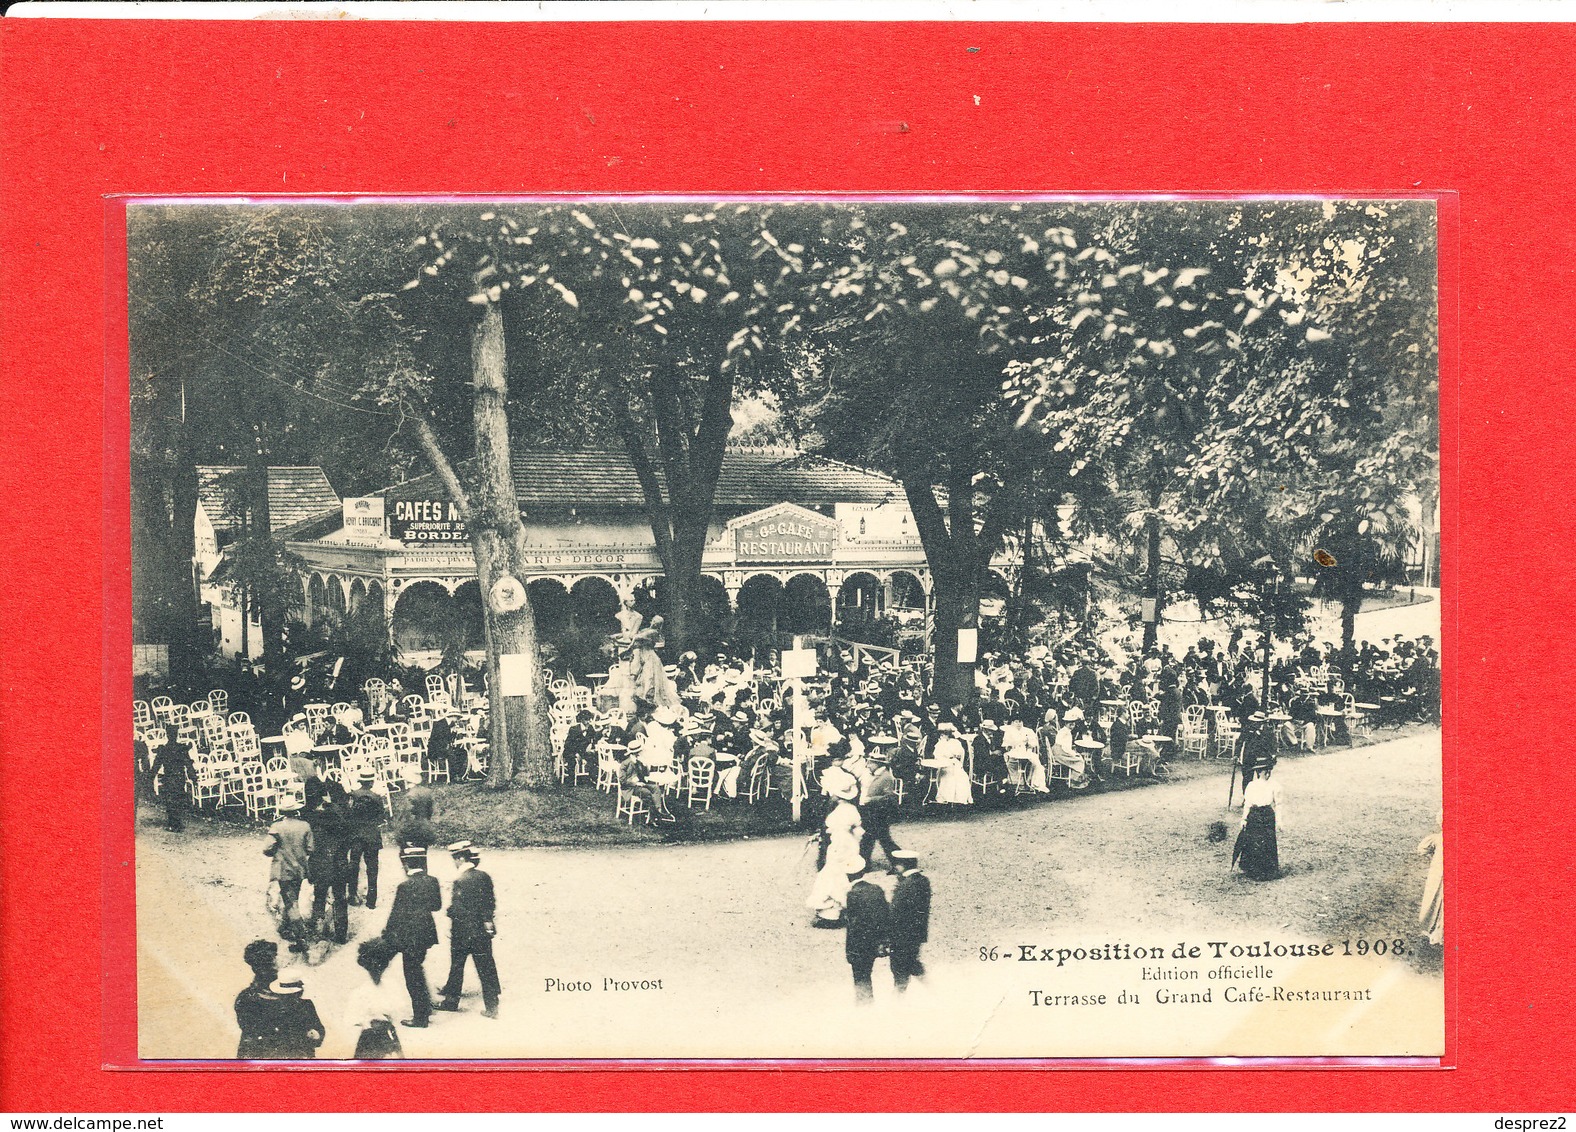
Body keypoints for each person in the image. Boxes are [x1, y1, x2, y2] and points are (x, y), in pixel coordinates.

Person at [435, 842, 501, 1019]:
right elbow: (490, 902)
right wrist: (487, 921)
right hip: (481, 930)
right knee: (486, 966)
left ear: (461, 858)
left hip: (462, 932)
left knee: (457, 966)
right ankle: (492, 1006)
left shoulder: (460, 880)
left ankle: (451, 1002)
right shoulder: (484, 876)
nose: (455, 863)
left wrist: (449, 914)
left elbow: (457, 909)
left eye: (455, 860)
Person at [382, 845, 442, 1029]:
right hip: (426, 933)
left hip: (409, 935)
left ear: (406, 863)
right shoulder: (432, 881)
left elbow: (396, 913)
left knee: (412, 975)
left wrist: (387, 933)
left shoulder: (405, 886)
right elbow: (436, 906)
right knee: (417, 969)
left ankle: (420, 1017)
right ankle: (425, 1007)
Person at [806, 779, 864, 928]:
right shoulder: (851, 809)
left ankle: (832, 915)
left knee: (833, 878)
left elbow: (838, 832)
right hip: (849, 843)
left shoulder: (840, 812)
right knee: (839, 876)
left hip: (840, 844)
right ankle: (839, 911)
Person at [265, 797, 315, 950]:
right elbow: (311, 849)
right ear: (296, 810)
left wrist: (278, 851)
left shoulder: (276, 827)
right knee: (292, 896)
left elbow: (267, 849)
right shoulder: (305, 826)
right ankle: (287, 927)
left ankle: (301, 938)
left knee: (290, 901)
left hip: (283, 869)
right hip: (299, 868)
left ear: (282, 811)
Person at [344, 937, 405, 1059]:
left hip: (388, 1035)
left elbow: (398, 1013)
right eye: (373, 965)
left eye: (380, 965)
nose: (377, 969)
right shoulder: (360, 989)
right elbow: (351, 1019)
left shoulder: (391, 986)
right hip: (369, 1038)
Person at [843, 859, 890, 1005]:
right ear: (863, 872)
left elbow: (853, 924)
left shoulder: (852, 894)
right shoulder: (877, 889)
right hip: (875, 941)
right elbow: (885, 914)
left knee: (861, 977)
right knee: (868, 972)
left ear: (848, 875)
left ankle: (865, 1006)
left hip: (859, 944)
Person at [1232, 760, 1285, 881]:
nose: (1267, 774)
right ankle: (1253, 869)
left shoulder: (1275, 785)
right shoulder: (1251, 785)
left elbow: (1279, 804)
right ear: (1259, 772)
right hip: (1254, 815)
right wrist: (1244, 819)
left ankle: (1268, 870)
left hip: (1267, 815)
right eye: (1264, 771)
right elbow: (1248, 804)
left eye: (1268, 771)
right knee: (1254, 841)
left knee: (1267, 841)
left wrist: (1279, 821)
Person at [887, 850, 931, 993]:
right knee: (912, 963)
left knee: (899, 968)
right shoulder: (923, 880)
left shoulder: (906, 885)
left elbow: (895, 911)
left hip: (902, 934)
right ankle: (934, 989)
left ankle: (898, 1000)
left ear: (902, 865)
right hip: (916, 933)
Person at [254, 976, 325, 1060]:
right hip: (279, 1054)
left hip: (304, 1053)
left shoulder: (307, 1005)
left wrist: (316, 1034)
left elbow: (319, 1028)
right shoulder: (272, 1007)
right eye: (287, 996)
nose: (292, 998)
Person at [857, 742, 904, 867]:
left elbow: (890, 797)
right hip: (870, 811)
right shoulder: (873, 775)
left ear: (878, 764)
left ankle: (898, 862)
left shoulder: (886, 777)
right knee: (873, 838)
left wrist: (872, 800)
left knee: (878, 839)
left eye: (870, 763)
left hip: (879, 812)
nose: (868, 765)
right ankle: (897, 862)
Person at [346, 770, 386, 909]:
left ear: (360, 781)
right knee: (372, 867)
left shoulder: (352, 796)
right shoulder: (376, 797)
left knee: (354, 864)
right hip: (372, 836)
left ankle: (352, 895)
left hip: (356, 835)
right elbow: (381, 817)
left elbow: (348, 815)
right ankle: (371, 900)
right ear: (371, 782)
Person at [234, 939, 279, 1059]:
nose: (277, 967)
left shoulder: (292, 995)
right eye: (271, 964)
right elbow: (253, 1031)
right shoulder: (246, 998)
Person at [149, 722, 194, 831]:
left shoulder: (163, 749)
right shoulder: (181, 749)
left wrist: (150, 777)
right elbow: (188, 764)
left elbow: (156, 766)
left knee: (170, 800)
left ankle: (173, 823)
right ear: (176, 735)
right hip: (179, 778)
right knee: (177, 799)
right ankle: (177, 822)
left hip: (169, 778)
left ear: (168, 735)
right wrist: (193, 777)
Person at [1416, 810, 1444, 945]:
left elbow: (1422, 849)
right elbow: (1422, 849)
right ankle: (1432, 930)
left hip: (1441, 874)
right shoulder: (1437, 838)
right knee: (1435, 899)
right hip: (1438, 874)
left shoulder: (1438, 838)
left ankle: (1439, 933)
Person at [930, 722, 973, 805]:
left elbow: (960, 754)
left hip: (954, 762)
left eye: (946, 734)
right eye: (942, 734)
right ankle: (946, 797)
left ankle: (959, 797)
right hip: (943, 764)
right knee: (947, 775)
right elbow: (937, 755)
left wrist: (954, 758)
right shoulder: (939, 743)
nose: (943, 736)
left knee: (961, 776)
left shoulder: (955, 742)